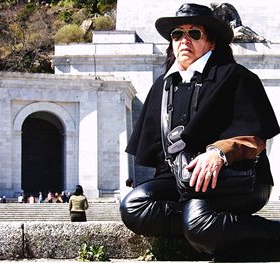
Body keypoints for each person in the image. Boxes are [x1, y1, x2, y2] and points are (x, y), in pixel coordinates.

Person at [120, 3, 280, 261]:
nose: (184, 40)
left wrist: (218, 153)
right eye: (177, 34)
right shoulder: (160, 86)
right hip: (185, 182)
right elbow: (159, 153)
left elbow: (255, 139)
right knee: (134, 207)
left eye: (194, 33)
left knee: (199, 221)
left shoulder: (237, 77)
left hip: (237, 179)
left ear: (211, 42)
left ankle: (271, 235)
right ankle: (205, 230)